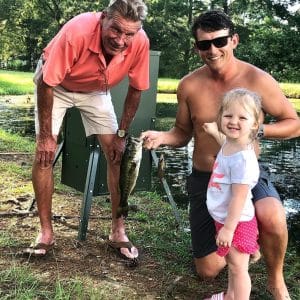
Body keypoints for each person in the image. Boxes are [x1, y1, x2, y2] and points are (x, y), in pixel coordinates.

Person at [141, 10, 300, 300]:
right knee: (208, 270)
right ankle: (245, 244)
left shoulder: (258, 79)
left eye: (220, 41)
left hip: (245, 174)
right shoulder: (188, 85)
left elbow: (294, 123)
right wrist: (161, 138)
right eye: (204, 44)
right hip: (206, 179)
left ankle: (275, 280)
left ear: (234, 40)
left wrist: (254, 132)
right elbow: (181, 132)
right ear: (197, 47)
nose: (213, 50)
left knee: (274, 216)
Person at [25, 0, 149, 261]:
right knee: (44, 154)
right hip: (55, 86)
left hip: (95, 89)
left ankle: (118, 230)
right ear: (103, 18)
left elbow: (136, 88)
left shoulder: (140, 41)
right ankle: (46, 233)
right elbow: (47, 84)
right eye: (116, 30)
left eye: (129, 34)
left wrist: (122, 134)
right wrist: (47, 137)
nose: (121, 40)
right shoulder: (77, 31)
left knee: (118, 154)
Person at [203, 88, 262, 300]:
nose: (233, 121)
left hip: (236, 222)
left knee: (239, 268)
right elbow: (224, 142)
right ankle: (229, 296)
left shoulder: (243, 160)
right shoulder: (231, 143)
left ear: (254, 124)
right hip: (225, 218)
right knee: (232, 262)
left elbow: (239, 197)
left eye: (242, 117)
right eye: (228, 116)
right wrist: (213, 132)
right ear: (220, 117)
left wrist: (228, 229)